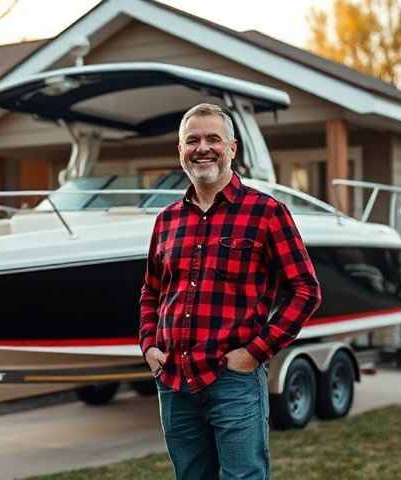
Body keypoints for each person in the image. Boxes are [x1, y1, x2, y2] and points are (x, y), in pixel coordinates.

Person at [139, 103, 322, 479]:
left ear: (232, 148)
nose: (202, 147)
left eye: (213, 139)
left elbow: (306, 290)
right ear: (180, 151)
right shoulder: (167, 220)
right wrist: (149, 347)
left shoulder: (267, 213)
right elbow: (151, 291)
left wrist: (255, 353)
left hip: (233, 380)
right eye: (192, 140)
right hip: (174, 380)